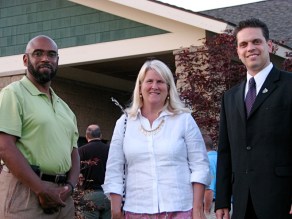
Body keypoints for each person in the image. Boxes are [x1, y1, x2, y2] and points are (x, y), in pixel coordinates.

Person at [102, 59, 211, 219]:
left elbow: (200, 166)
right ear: (140, 87)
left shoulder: (184, 120)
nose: (154, 86)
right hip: (137, 210)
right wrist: (115, 209)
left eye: (160, 82)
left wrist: (197, 210)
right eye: (149, 81)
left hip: (180, 209)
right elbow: (114, 169)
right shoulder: (124, 123)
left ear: (168, 88)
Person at [215, 18, 292, 219]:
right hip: (242, 203)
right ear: (238, 52)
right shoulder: (229, 97)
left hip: (281, 201)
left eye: (256, 41)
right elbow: (225, 151)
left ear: (269, 45)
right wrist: (222, 199)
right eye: (243, 44)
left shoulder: (289, 86)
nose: (250, 48)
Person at [0, 35, 80, 218]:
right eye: (38, 53)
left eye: (51, 55)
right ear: (25, 59)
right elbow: (4, 147)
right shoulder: (13, 94)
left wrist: (70, 187)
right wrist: (40, 189)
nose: (45, 58)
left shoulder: (65, 108)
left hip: (63, 197)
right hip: (25, 192)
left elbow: (74, 152)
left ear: (57, 61)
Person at [78, 124, 110, 219]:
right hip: (108, 195)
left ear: (87, 136)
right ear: (100, 136)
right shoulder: (110, 150)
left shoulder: (81, 151)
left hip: (89, 195)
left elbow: (76, 173)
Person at [202, 133, 217, 219]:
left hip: (212, 207)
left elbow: (209, 190)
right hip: (227, 205)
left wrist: (206, 210)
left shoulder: (208, 161)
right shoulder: (219, 157)